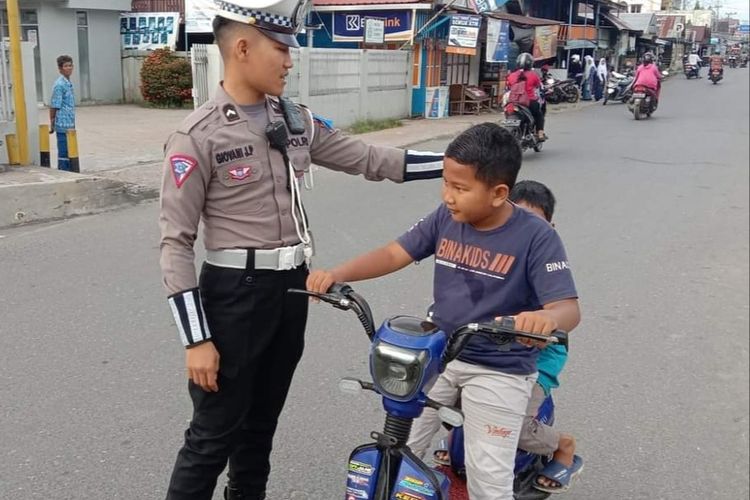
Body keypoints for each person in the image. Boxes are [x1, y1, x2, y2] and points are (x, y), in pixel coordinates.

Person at [158, 1, 444, 499]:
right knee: (212, 436)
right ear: (243, 48)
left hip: (290, 291)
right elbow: (175, 243)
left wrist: (457, 164)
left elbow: (372, 159)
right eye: (281, 48)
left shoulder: (294, 121)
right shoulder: (197, 136)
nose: (290, 60)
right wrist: (196, 340)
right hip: (233, 297)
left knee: (260, 428)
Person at [306, 123, 581, 499]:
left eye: (461, 188)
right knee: (401, 451)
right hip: (437, 356)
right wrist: (336, 274)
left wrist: (545, 319)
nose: (448, 196)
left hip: (499, 369)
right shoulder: (446, 218)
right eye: (447, 184)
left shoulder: (537, 236)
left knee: (488, 478)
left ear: (499, 193)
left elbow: (568, 308)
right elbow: (394, 253)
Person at [431, 180, 583, 494]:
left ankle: (563, 447)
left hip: (533, 366)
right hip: (479, 353)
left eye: (535, 223)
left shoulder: (546, 270)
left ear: (549, 228)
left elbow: (565, 315)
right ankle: (454, 442)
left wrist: (544, 324)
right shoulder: (490, 259)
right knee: (437, 395)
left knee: (518, 425)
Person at [506, 52, 547, 141]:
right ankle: (540, 133)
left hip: (513, 101)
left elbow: (508, 86)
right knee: (539, 114)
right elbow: (538, 86)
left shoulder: (511, 75)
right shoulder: (533, 75)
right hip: (529, 101)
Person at [49, 55, 75, 172]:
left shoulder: (68, 83)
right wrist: (52, 122)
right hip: (62, 124)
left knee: (71, 149)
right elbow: (54, 105)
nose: (68, 68)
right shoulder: (59, 85)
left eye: (70, 65)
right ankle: (63, 171)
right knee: (64, 150)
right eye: (66, 66)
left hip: (70, 123)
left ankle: (71, 170)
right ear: (60, 69)